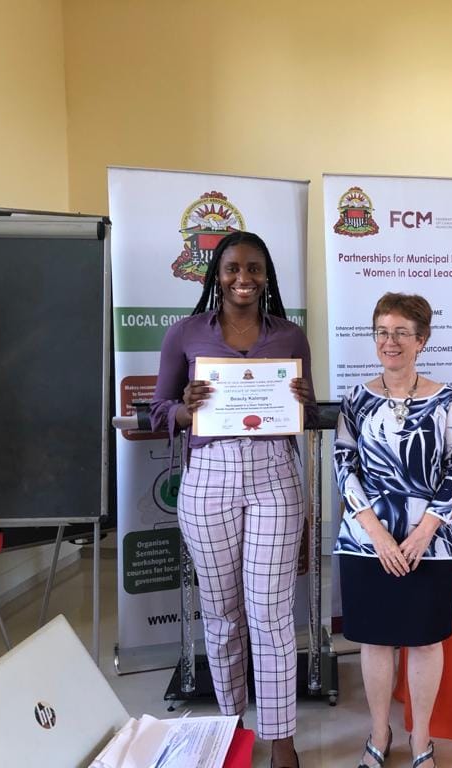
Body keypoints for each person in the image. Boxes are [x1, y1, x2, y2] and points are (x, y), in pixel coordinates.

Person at [150, 231, 315, 768]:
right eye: (232, 268)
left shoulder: (290, 336)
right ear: (215, 275)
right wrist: (183, 408)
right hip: (209, 478)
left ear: (267, 276)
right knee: (221, 616)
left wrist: (302, 403)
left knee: (270, 613)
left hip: (273, 478)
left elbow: (306, 416)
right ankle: (231, 730)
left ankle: (282, 742)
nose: (243, 278)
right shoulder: (184, 334)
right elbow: (159, 412)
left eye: (254, 269)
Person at [333, 293, 452, 768]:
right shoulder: (356, 398)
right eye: (382, 332)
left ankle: (421, 739)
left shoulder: (446, 399)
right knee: (375, 639)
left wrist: (423, 532)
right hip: (367, 541)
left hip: (432, 543)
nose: (389, 342)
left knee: (426, 640)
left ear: (422, 341)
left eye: (401, 333)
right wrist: (377, 533)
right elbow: (343, 466)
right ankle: (379, 732)